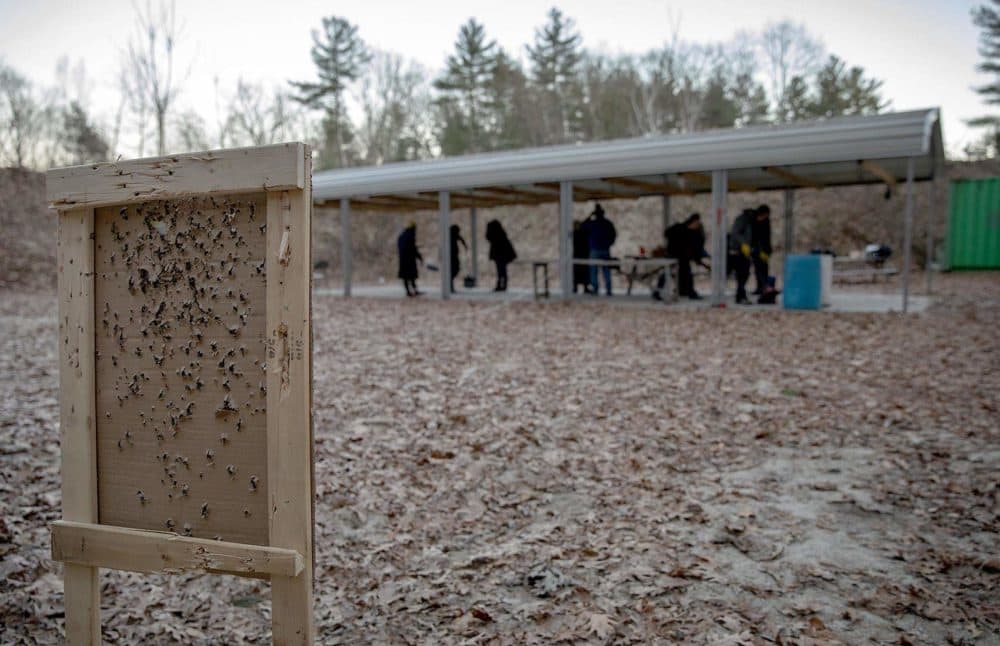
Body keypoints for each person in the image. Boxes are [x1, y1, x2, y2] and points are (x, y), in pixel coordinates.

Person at [664, 213, 708, 299]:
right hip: (674, 256)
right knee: (670, 273)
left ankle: (685, 291)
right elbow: (667, 233)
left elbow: (697, 246)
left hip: (684, 258)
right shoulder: (679, 228)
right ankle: (686, 291)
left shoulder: (696, 234)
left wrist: (697, 258)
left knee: (685, 274)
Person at [586, 203, 616, 296]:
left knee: (594, 271)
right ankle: (608, 290)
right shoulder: (607, 223)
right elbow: (613, 235)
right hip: (604, 249)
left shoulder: (593, 223)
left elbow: (582, 226)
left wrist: (589, 216)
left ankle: (596, 289)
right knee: (605, 270)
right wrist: (609, 243)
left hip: (596, 249)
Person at [728, 208, 755, 304]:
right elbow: (735, 233)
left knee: (743, 275)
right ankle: (740, 296)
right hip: (737, 253)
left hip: (742, 252)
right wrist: (743, 244)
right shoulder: (742, 220)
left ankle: (741, 296)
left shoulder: (747, 221)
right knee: (742, 275)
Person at [485, 219, 516, 292]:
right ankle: (502, 285)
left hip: (501, 256)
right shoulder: (500, 235)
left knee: (501, 271)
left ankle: (502, 285)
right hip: (500, 256)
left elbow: (489, 237)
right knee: (501, 271)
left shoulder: (498, 236)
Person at [397, 221, 423, 297]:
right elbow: (412, 249)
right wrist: (419, 256)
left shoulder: (402, 236)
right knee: (411, 276)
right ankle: (412, 291)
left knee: (406, 276)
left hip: (403, 259)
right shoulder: (410, 236)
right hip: (409, 260)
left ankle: (409, 291)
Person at [751, 204, 772, 296]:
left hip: (764, 250)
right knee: (758, 270)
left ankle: (764, 287)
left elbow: (766, 238)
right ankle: (761, 287)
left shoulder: (766, 222)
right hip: (756, 250)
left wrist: (766, 251)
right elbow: (754, 237)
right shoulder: (753, 221)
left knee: (763, 269)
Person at [572, 220, 591, 293]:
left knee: (584, 272)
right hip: (578, 255)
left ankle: (584, 287)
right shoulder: (577, 234)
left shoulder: (581, 233)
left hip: (582, 255)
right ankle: (575, 287)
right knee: (577, 272)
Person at [448, 224, 467, 293]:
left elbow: (461, 239)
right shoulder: (449, 235)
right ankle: (450, 286)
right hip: (451, 256)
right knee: (452, 271)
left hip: (454, 256)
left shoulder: (454, 235)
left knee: (454, 270)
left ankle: (450, 285)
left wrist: (465, 245)